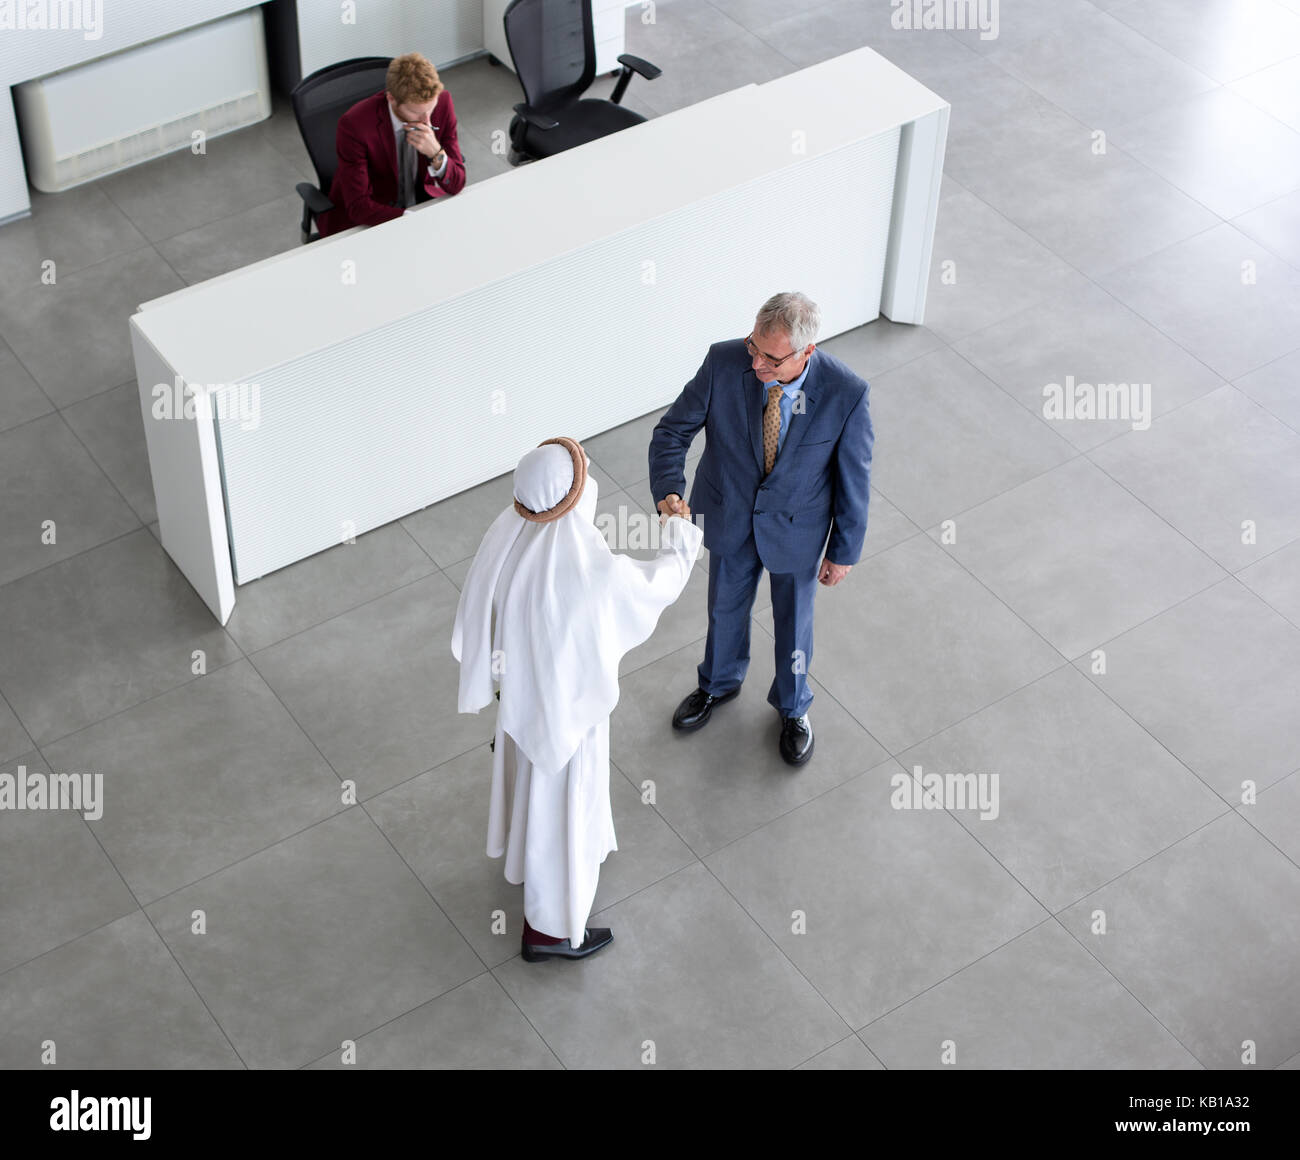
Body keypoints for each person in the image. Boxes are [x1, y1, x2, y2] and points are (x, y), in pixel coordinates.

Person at [451, 436, 702, 961]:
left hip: (523, 706)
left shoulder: (509, 540)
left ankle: (530, 870)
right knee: (560, 808)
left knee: (534, 798)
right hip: (567, 719)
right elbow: (654, 585)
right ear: (572, 496)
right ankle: (549, 931)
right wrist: (680, 532)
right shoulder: (591, 573)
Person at [648, 292, 873, 766]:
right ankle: (717, 683)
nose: (756, 363)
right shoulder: (723, 361)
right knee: (724, 608)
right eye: (754, 346)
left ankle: (793, 709)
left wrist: (844, 549)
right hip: (729, 514)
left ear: (806, 353)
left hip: (798, 529)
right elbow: (672, 432)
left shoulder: (846, 392)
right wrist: (669, 489)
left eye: (770, 358)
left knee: (794, 623)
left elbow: (855, 476)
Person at [316, 52, 466, 237]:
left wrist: (436, 153)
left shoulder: (443, 103)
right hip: (374, 217)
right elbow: (359, 206)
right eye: (416, 112)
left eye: (430, 109)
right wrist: (409, 220)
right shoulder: (354, 125)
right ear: (392, 99)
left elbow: (458, 182)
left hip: (422, 204)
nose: (427, 121)